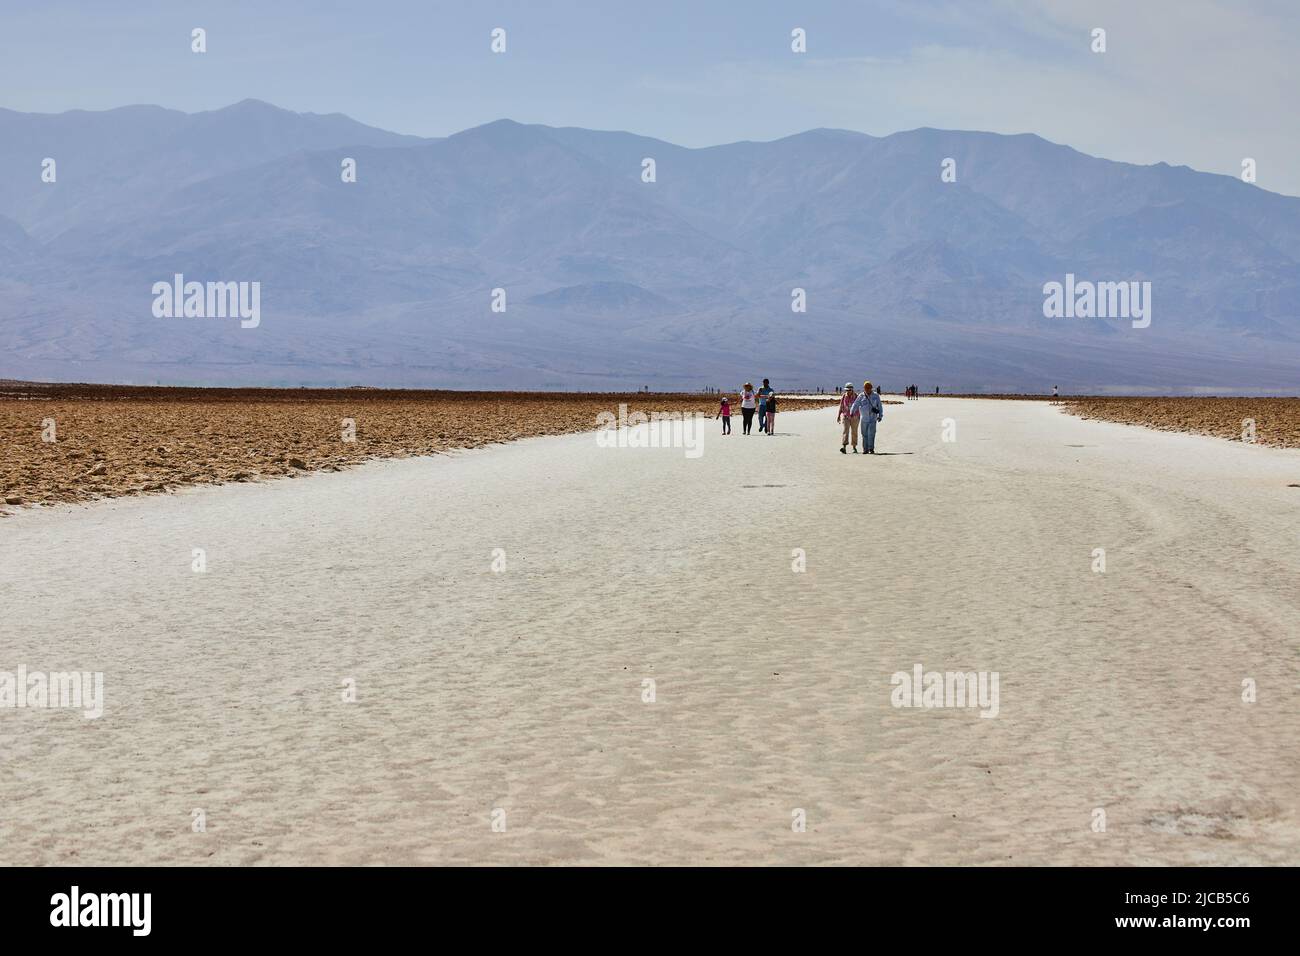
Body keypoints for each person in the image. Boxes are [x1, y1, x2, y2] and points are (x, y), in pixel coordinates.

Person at [855, 380, 884, 453]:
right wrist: (852, 412)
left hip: (873, 418)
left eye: (869, 388)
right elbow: (856, 404)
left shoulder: (876, 395)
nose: (867, 389)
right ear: (864, 388)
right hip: (864, 419)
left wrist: (880, 415)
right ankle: (865, 449)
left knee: (872, 434)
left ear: (871, 388)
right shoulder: (861, 396)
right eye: (866, 388)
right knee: (864, 434)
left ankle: (871, 448)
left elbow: (880, 406)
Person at [836, 382, 859, 453]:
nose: (848, 391)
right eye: (847, 390)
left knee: (854, 432)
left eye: (849, 390)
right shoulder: (844, 396)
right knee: (845, 431)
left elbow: (859, 406)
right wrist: (838, 416)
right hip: (846, 416)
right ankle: (844, 447)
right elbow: (841, 406)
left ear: (852, 389)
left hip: (855, 417)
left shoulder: (856, 396)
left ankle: (854, 447)